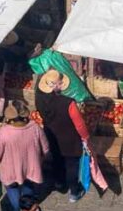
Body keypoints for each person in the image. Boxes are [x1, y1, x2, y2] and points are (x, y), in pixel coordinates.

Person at [35, 69, 91, 203]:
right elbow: (79, 124)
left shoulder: (40, 99)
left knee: (57, 159)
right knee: (71, 164)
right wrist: (85, 138)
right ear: (58, 86)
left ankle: (59, 183)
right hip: (69, 138)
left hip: (51, 134)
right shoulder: (68, 103)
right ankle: (74, 191)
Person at [0, 100, 49, 211]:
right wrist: (43, 158)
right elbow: (45, 147)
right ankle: (28, 206)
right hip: (30, 168)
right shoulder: (35, 128)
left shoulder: (4, 132)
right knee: (28, 187)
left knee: (12, 190)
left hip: (10, 170)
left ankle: (19, 210)